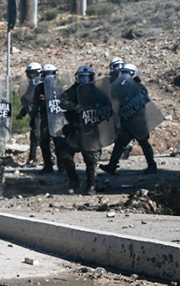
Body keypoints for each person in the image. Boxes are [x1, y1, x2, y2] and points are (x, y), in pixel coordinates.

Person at [99, 63, 159, 175]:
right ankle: (112, 165)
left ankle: (152, 165)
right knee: (120, 143)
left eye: (128, 73)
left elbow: (142, 99)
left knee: (144, 143)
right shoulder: (120, 86)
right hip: (126, 120)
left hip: (138, 121)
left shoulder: (139, 87)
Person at [58, 65, 104, 194]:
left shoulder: (97, 91)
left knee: (92, 159)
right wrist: (75, 106)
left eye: (87, 77)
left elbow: (107, 105)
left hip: (91, 130)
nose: (84, 80)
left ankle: (92, 185)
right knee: (65, 156)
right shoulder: (72, 91)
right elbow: (62, 102)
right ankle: (74, 180)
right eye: (81, 77)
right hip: (75, 130)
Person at [34, 64, 63, 173]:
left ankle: (62, 165)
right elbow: (35, 104)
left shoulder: (60, 86)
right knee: (44, 141)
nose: (49, 77)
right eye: (46, 74)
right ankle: (48, 165)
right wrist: (33, 118)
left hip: (57, 118)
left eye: (51, 74)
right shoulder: (40, 88)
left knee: (59, 141)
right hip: (45, 118)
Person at [16, 62, 42, 167]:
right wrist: (22, 113)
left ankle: (52, 159)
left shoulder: (43, 85)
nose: (31, 76)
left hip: (44, 115)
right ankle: (32, 158)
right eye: (29, 73)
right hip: (35, 115)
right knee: (34, 135)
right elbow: (30, 102)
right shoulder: (30, 87)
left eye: (33, 73)